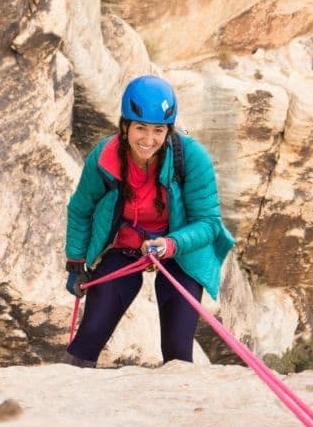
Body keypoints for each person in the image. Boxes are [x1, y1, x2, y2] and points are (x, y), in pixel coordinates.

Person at [63, 75, 235, 367]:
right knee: (89, 335)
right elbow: (81, 209)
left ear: (168, 130)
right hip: (125, 247)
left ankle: (177, 395)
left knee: (177, 349)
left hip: (179, 252)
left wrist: (170, 244)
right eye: (140, 128)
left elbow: (208, 222)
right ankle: (68, 390)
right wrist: (76, 263)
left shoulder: (192, 158)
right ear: (125, 126)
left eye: (158, 130)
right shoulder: (105, 158)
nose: (148, 139)